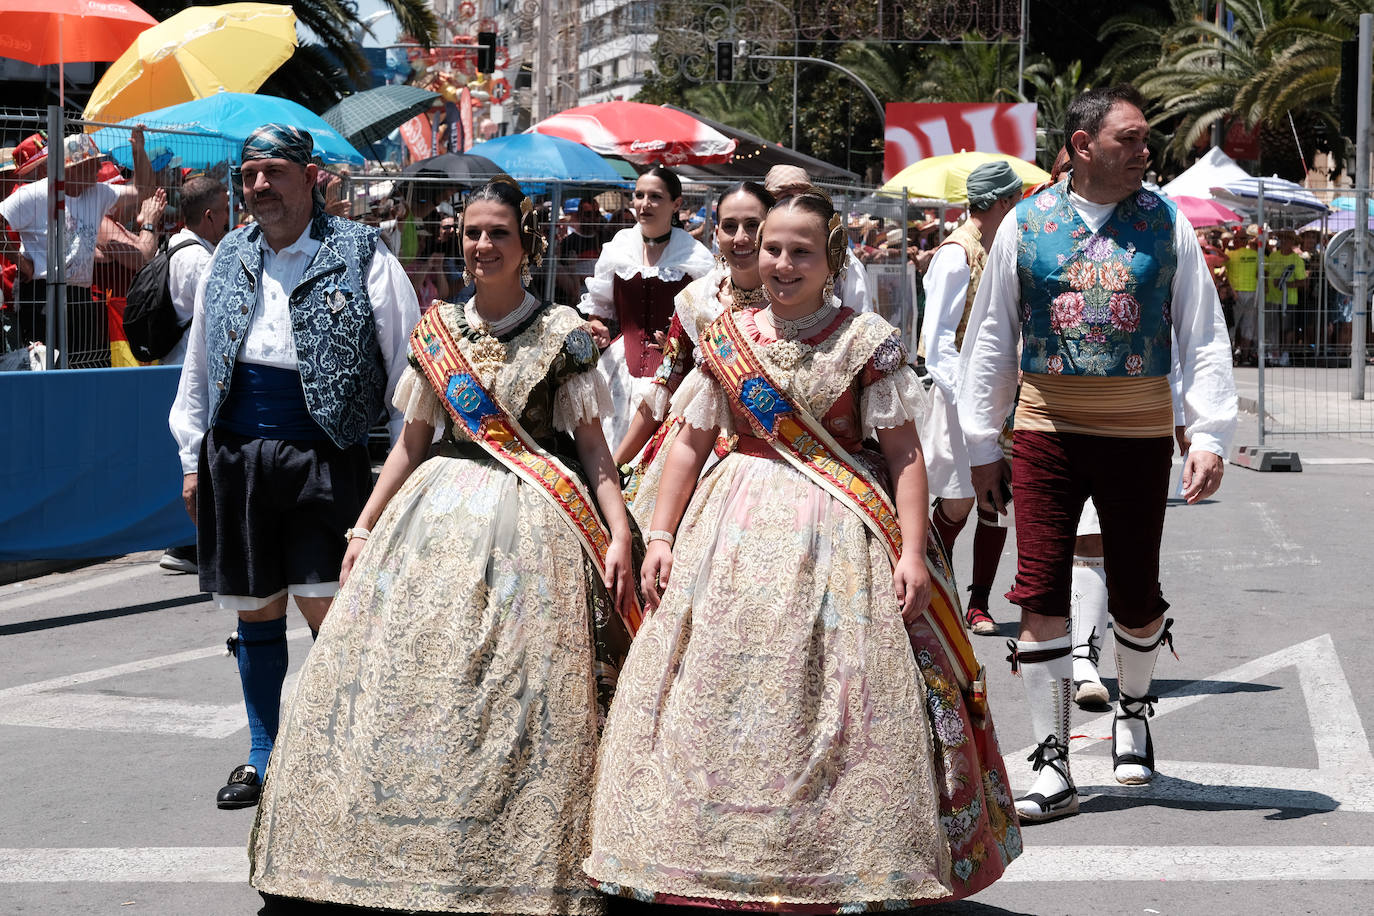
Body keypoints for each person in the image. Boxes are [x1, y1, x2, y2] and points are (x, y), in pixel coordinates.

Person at [585, 189, 1022, 908]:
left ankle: (833, 854)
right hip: (728, 524)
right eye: (773, 249)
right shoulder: (727, 334)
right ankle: (701, 850)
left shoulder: (866, 340)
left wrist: (913, 552)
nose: (782, 263)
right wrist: (660, 533)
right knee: (715, 685)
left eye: (801, 252)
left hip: (840, 532)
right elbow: (691, 442)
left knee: (835, 694)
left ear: (831, 260)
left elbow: (906, 459)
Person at [249, 177, 637, 914]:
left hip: (536, 523)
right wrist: (365, 526)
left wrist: (618, 531)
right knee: (417, 678)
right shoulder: (438, 331)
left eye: (498, 233)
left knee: (520, 692)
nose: (481, 245)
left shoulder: (565, 337)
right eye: (471, 233)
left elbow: (593, 452)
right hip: (432, 518)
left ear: (530, 245)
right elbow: (410, 446)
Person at [957, 85, 1237, 823]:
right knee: (1039, 589)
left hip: (1138, 430)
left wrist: (1206, 433)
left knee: (1137, 594)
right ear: (1083, 148)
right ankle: (1051, 764)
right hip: (1045, 428)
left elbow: (1201, 334)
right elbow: (991, 335)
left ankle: (1134, 714)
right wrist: (983, 443)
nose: (1146, 152)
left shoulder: (1166, 224)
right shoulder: (1025, 224)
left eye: (1145, 140)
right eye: (1131, 140)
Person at [168, 124, 420, 810]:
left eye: (274, 172)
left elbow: (406, 371)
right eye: (250, 174)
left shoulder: (364, 255)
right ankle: (263, 755)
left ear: (313, 178)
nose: (258, 187)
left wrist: (404, 473)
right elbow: (200, 364)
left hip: (324, 455)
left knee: (330, 614)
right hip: (237, 455)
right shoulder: (227, 255)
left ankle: (348, 752)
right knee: (255, 612)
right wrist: (192, 457)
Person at [917, 160, 1023, 636]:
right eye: (1014, 201)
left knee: (995, 497)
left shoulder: (995, 247)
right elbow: (936, 339)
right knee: (958, 500)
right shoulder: (956, 255)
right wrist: (966, 398)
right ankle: (939, 587)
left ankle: (977, 601)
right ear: (1002, 202)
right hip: (959, 397)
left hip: (995, 396)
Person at [611, 180, 773, 481]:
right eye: (729, 226)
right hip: (690, 450)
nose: (741, 238)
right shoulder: (697, 301)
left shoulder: (796, 302)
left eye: (753, 225)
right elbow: (666, 382)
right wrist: (614, 464)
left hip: (772, 453)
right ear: (716, 232)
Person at [580, 166, 713, 452]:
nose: (644, 203)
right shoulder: (619, 247)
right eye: (639, 195)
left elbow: (707, 321)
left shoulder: (694, 255)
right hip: (619, 369)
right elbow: (599, 307)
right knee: (609, 450)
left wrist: (684, 343)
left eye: (655, 196)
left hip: (673, 374)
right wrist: (596, 324)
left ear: (676, 204)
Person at [0, 129, 155, 366]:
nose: (99, 169)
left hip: (80, 295)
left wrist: (139, 151)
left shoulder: (98, 193)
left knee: (85, 362)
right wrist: (20, 262)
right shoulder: (36, 194)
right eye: (93, 163)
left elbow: (143, 190)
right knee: (44, 365)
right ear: (73, 167)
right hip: (43, 294)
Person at [156, 176, 231, 575]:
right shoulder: (200, 260)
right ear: (208, 216)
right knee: (199, 458)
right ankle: (189, 544)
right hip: (192, 372)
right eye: (223, 212)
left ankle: (189, 542)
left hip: (175, 366)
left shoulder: (176, 246)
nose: (228, 219)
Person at [763, 164, 874, 313]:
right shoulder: (749, 255)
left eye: (802, 198)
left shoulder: (841, 256)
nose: (795, 205)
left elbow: (861, 313)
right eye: (785, 199)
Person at [1225, 226, 1261, 364]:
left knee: (1234, 326)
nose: (1235, 241)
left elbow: (1221, 271)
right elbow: (1260, 274)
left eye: (1236, 239)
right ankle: (1243, 357)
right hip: (1249, 293)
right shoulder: (1255, 255)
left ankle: (1233, 357)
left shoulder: (1230, 255)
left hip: (1238, 294)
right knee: (1246, 326)